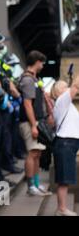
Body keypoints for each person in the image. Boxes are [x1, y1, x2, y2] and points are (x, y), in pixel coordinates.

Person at [18, 50, 50, 196]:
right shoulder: (27, 80)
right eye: (42, 62)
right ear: (36, 62)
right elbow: (27, 104)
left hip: (37, 121)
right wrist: (33, 125)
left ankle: (36, 184)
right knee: (32, 153)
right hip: (30, 121)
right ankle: (31, 186)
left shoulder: (34, 79)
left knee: (37, 153)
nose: (43, 65)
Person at [51, 76, 79, 216]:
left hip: (68, 143)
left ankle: (61, 208)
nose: (67, 87)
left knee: (65, 178)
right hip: (65, 143)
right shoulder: (62, 101)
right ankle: (62, 209)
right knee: (64, 178)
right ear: (58, 91)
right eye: (64, 86)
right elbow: (76, 86)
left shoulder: (67, 104)